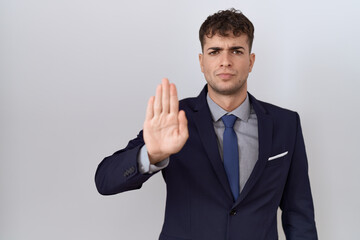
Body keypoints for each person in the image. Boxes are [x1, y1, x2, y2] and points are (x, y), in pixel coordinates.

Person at [95, 8, 318, 240]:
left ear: (250, 61)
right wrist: (151, 154)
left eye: (236, 51)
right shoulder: (173, 118)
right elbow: (104, 180)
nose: (225, 61)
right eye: (215, 51)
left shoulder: (286, 123)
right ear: (202, 62)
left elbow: (298, 215)